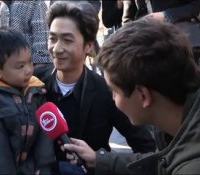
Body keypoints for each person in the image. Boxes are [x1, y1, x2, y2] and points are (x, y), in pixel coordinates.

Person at [62, 19, 200, 174]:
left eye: (114, 91)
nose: (112, 98)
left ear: (143, 95)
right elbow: (167, 160)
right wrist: (100, 160)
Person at [35, 2, 156, 174]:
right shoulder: (32, 82)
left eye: (67, 40)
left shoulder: (107, 91)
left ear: (88, 46)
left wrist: (100, 159)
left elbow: (146, 148)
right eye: (52, 38)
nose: (57, 48)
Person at [0, 28, 55, 174]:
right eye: (20, 66)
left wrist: (44, 168)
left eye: (30, 62)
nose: (29, 70)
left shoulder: (36, 90)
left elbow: (44, 137)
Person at [9, 0, 53, 72]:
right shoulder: (0, 6)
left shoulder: (35, 3)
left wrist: (31, 75)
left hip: (28, 74)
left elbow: (42, 54)